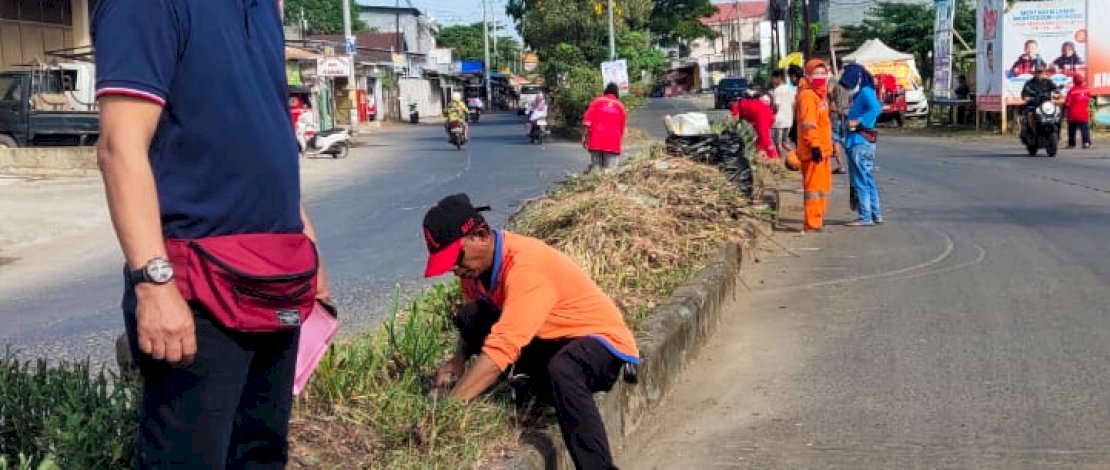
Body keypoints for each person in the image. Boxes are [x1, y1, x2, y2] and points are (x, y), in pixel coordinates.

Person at [93, 0, 330, 467]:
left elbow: (264, 132)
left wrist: (307, 241)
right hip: (196, 287)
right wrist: (153, 284)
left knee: (261, 453)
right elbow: (120, 146)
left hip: (278, 273)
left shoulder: (265, 9)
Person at [423, 193, 640, 470]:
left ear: (480, 235)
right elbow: (476, 322)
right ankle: (539, 390)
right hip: (550, 337)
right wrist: (458, 359)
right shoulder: (474, 272)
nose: (455, 269)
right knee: (470, 316)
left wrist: (449, 408)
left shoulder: (525, 266)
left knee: (563, 370)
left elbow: (503, 346)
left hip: (600, 344)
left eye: (457, 258)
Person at [839, 64, 884, 226]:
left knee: (860, 181)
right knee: (868, 179)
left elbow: (877, 109)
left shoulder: (865, 92)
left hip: (859, 142)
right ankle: (875, 214)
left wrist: (858, 122)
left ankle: (865, 216)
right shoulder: (864, 93)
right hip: (861, 141)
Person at [795, 59, 834, 233]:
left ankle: (817, 218)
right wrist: (815, 145)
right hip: (813, 151)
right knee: (813, 189)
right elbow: (809, 123)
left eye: (822, 73)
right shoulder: (808, 96)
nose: (820, 77)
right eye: (816, 74)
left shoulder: (820, 95)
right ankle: (812, 222)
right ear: (808, 76)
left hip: (823, 149)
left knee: (823, 188)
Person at [582, 83, 627, 173]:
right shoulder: (620, 107)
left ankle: (594, 184)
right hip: (613, 143)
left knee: (596, 170)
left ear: (605, 91)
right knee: (610, 172)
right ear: (617, 93)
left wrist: (584, 137)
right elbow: (622, 129)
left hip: (596, 141)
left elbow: (587, 122)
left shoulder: (596, 102)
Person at [733, 86, 777, 159]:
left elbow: (734, 120)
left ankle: (774, 159)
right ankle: (761, 158)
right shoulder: (748, 102)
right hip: (768, 115)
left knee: (765, 139)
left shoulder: (737, 105)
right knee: (760, 142)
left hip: (761, 116)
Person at [1020, 63, 1060, 131]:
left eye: (1041, 72)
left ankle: (1056, 132)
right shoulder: (1029, 83)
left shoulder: (1048, 81)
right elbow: (1024, 94)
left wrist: (1057, 92)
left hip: (1046, 105)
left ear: (1044, 73)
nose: (1039, 74)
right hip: (1033, 104)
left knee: (1057, 112)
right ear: (1034, 73)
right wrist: (1026, 97)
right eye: (1037, 72)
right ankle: (1032, 131)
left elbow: (1056, 89)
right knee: (1029, 114)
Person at [771, 70, 797, 157]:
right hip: (789, 119)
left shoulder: (777, 90)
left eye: (774, 78)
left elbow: (777, 107)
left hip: (779, 121)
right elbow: (793, 104)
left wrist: (771, 112)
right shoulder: (790, 88)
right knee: (785, 143)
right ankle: (797, 155)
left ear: (778, 78)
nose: (773, 81)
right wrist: (792, 118)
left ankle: (781, 163)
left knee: (778, 144)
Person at [1065, 73, 1092, 149]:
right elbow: (1089, 99)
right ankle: (1086, 143)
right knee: (1085, 129)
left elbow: (1067, 103)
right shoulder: (1087, 90)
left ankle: (1071, 144)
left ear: (1074, 81)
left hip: (1073, 114)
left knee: (1071, 129)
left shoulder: (1071, 91)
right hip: (1084, 114)